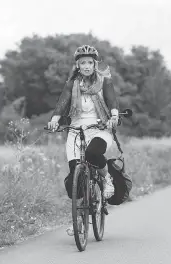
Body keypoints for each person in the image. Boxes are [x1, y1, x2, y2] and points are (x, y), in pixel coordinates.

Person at [47, 44, 119, 206]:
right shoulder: (72, 84)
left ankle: (107, 179)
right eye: (83, 63)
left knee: (92, 153)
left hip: (100, 129)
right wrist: (54, 120)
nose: (87, 66)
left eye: (90, 63)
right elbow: (62, 104)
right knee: (75, 182)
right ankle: (80, 219)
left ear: (95, 64)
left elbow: (113, 101)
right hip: (76, 130)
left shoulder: (104, 82)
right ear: (77, 66)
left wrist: (113, 116)